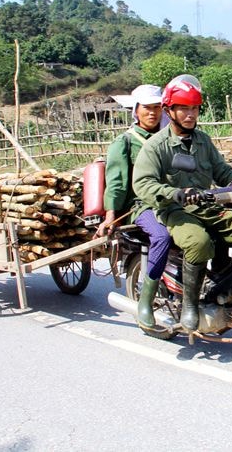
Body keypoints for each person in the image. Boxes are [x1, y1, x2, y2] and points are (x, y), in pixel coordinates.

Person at [132, 75, 232, 332]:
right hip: (173, 209)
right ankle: (189, 304)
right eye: (184, 108)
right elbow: (142, 183)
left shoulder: (203, 141)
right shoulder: (156, 146)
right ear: (170, 111)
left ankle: (230, 284)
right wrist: (173, 193)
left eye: (195, 108)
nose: (190, 114)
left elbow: (223, 172)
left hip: (207, 205)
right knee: (199, 242)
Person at [95, 84, 171, 329]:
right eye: (147, 108)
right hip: (140, 205)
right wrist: (110, 216)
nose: (153, 113)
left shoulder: (170, 137)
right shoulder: (126, 142)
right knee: (161, 236)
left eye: (157, 108)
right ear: (136, 111)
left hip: (171, 200)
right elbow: (116, 181)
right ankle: (146, 302)